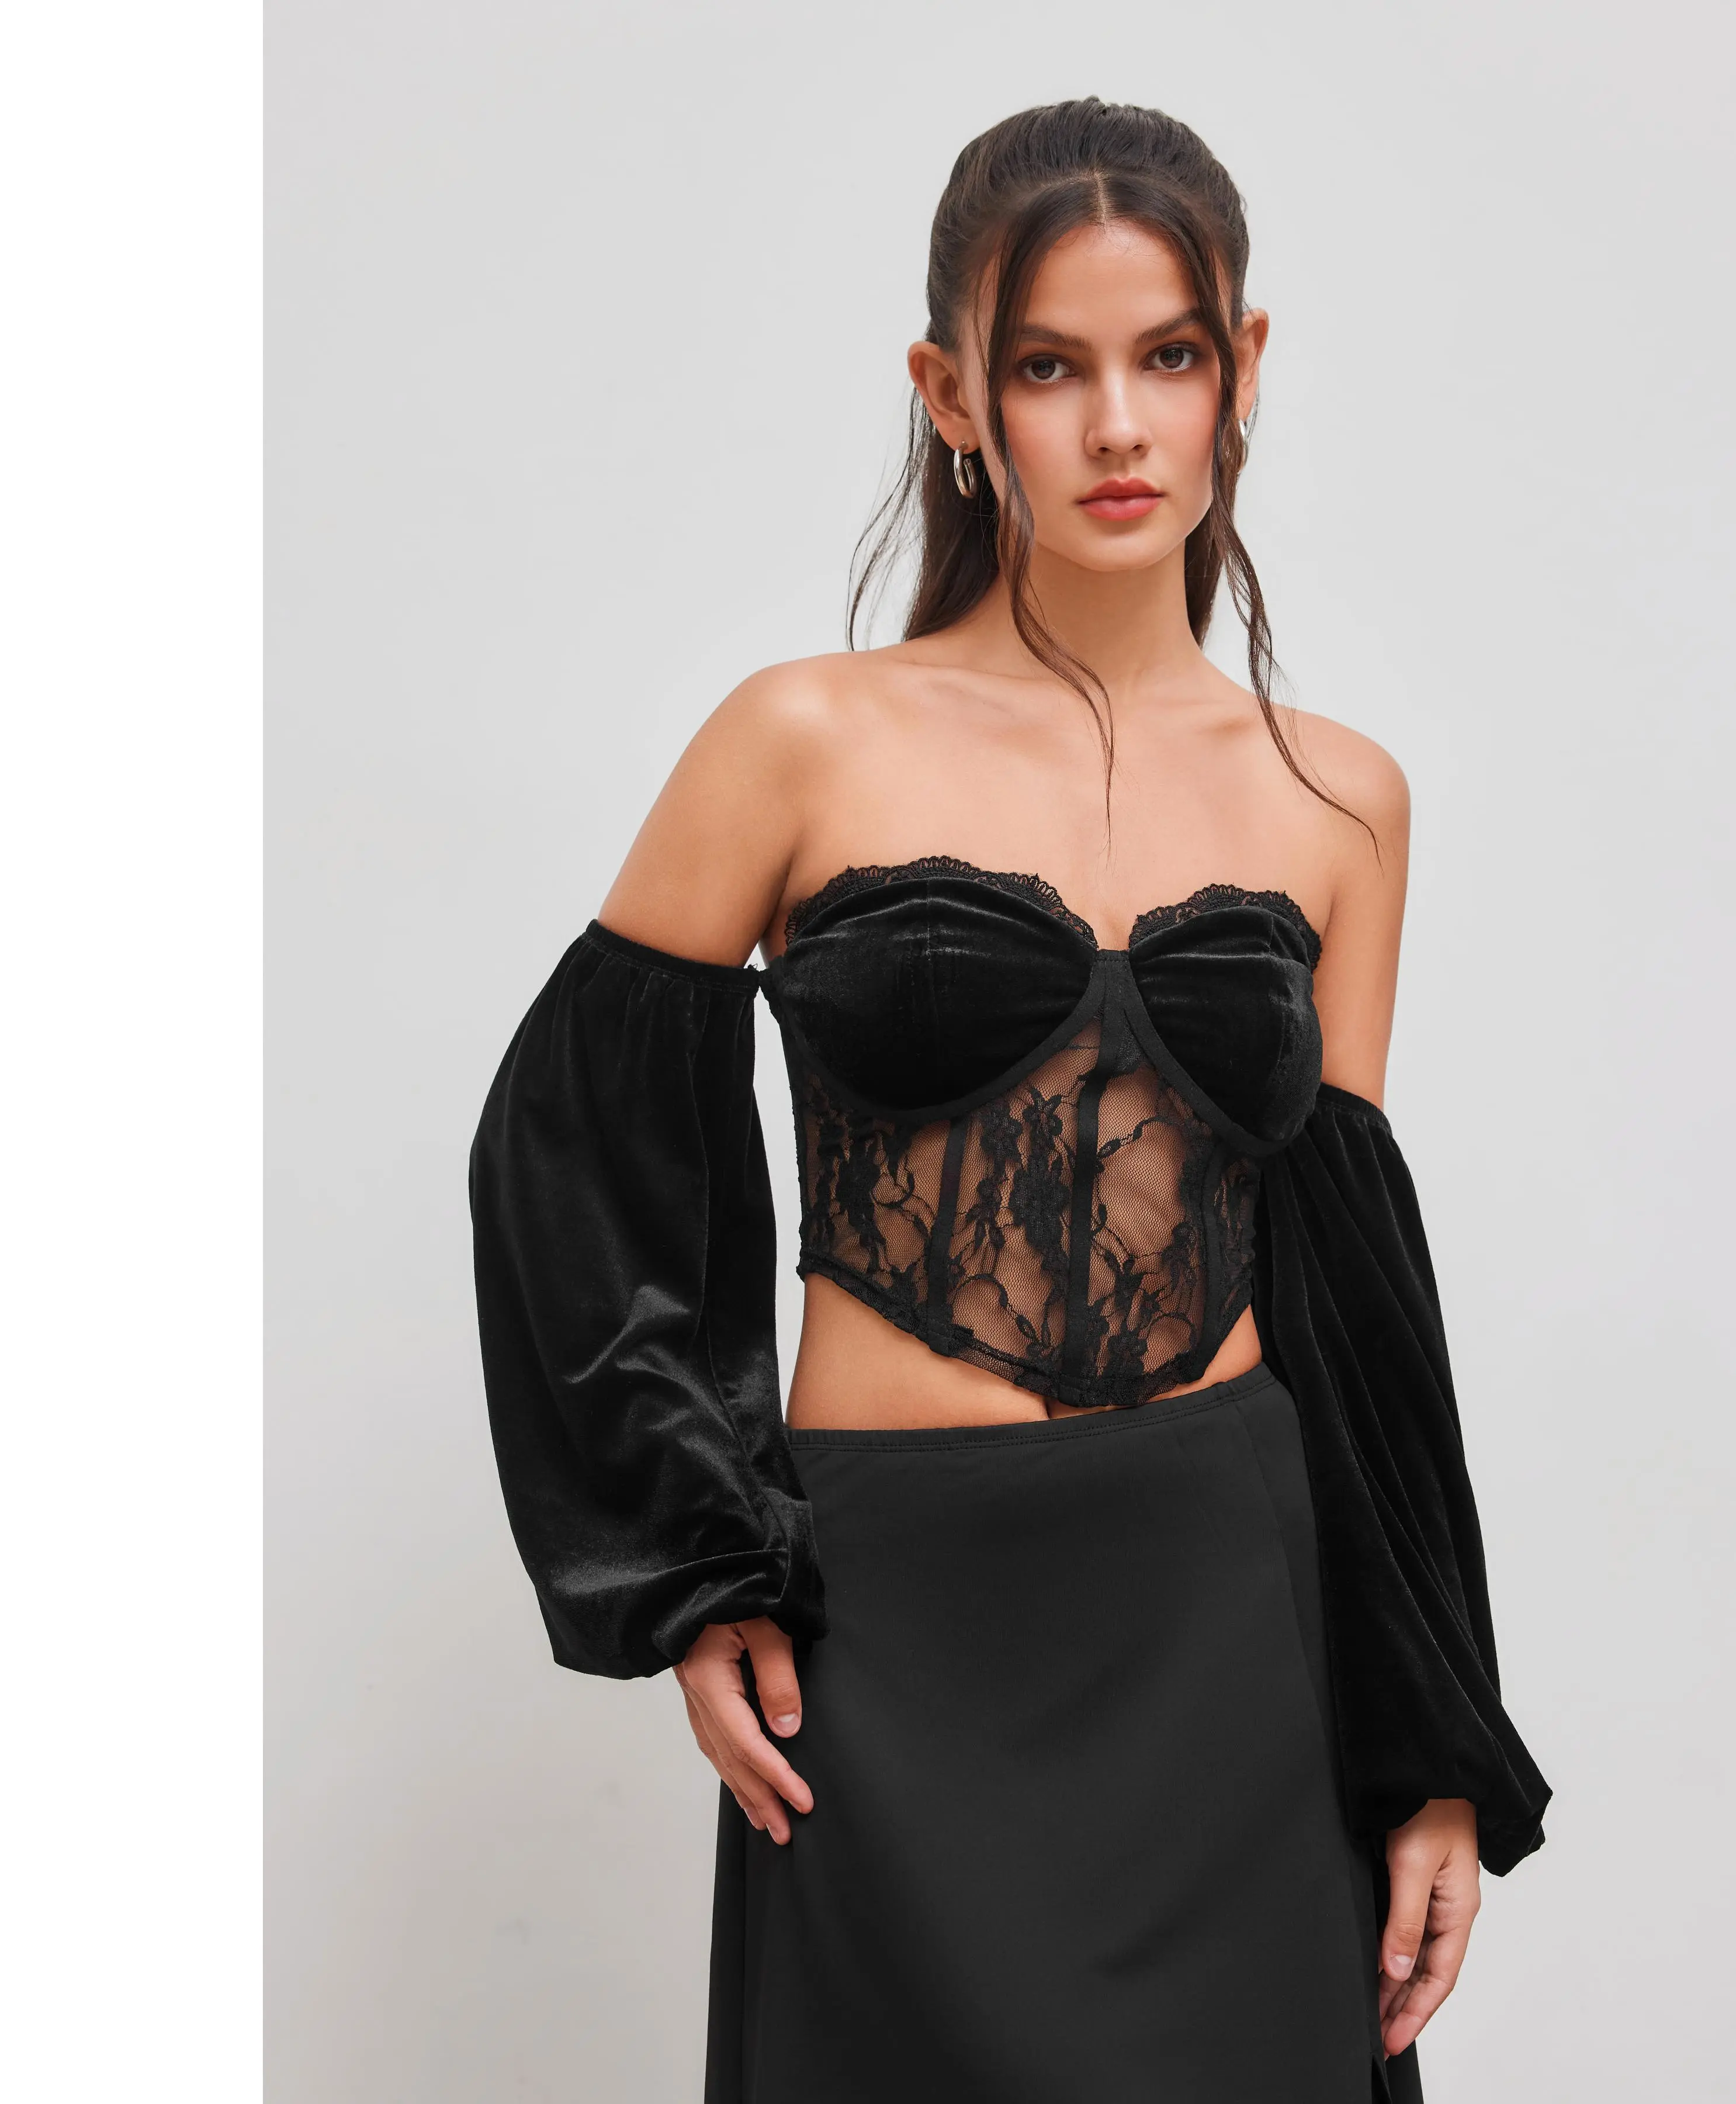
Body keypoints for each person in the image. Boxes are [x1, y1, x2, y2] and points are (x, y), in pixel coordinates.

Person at [469, 96, 1549, 2104]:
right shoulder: (800, 740)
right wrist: (695, 1573)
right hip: (892, 1623)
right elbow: (574, 1159)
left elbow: (1355, 1316)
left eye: (1170, 356)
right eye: (1050, 367)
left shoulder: (1341, 800)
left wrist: (1432, 1757)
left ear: (1242, 370)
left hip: (1228, 1615)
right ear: (951, 393)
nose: (1117, 425)